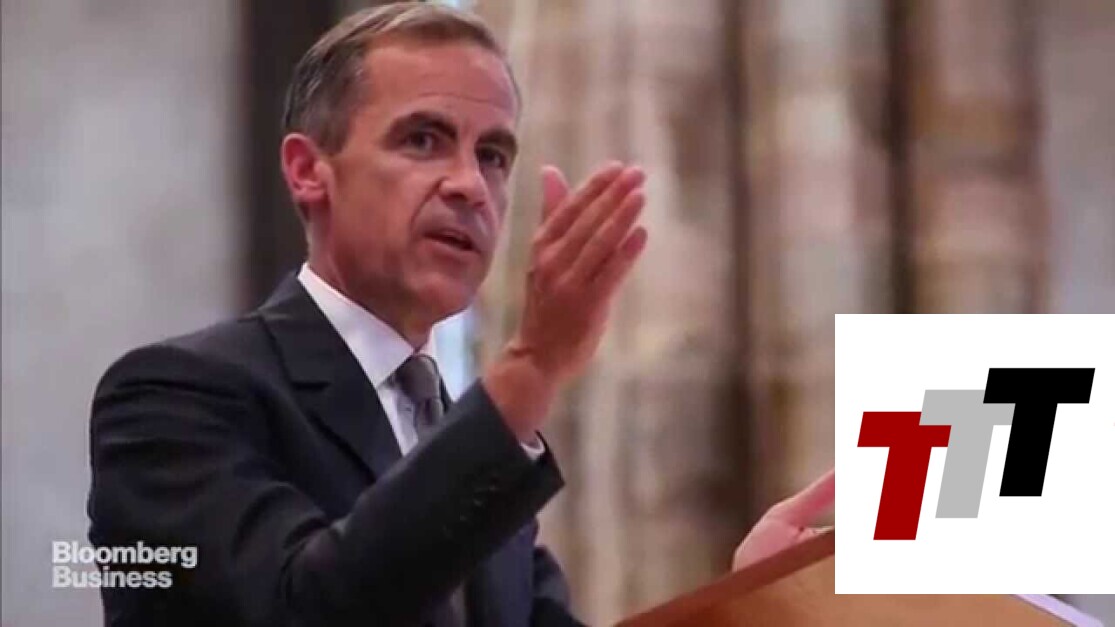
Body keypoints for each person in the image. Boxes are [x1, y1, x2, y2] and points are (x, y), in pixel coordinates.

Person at [86, 4, 832, 626]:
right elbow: (307, 607)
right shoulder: (172, 397)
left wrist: (752, 606)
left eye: (494, 155)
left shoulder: (467, 444)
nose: (470, 185)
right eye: (423, 140)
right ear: (309, 171)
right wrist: (530, 368)